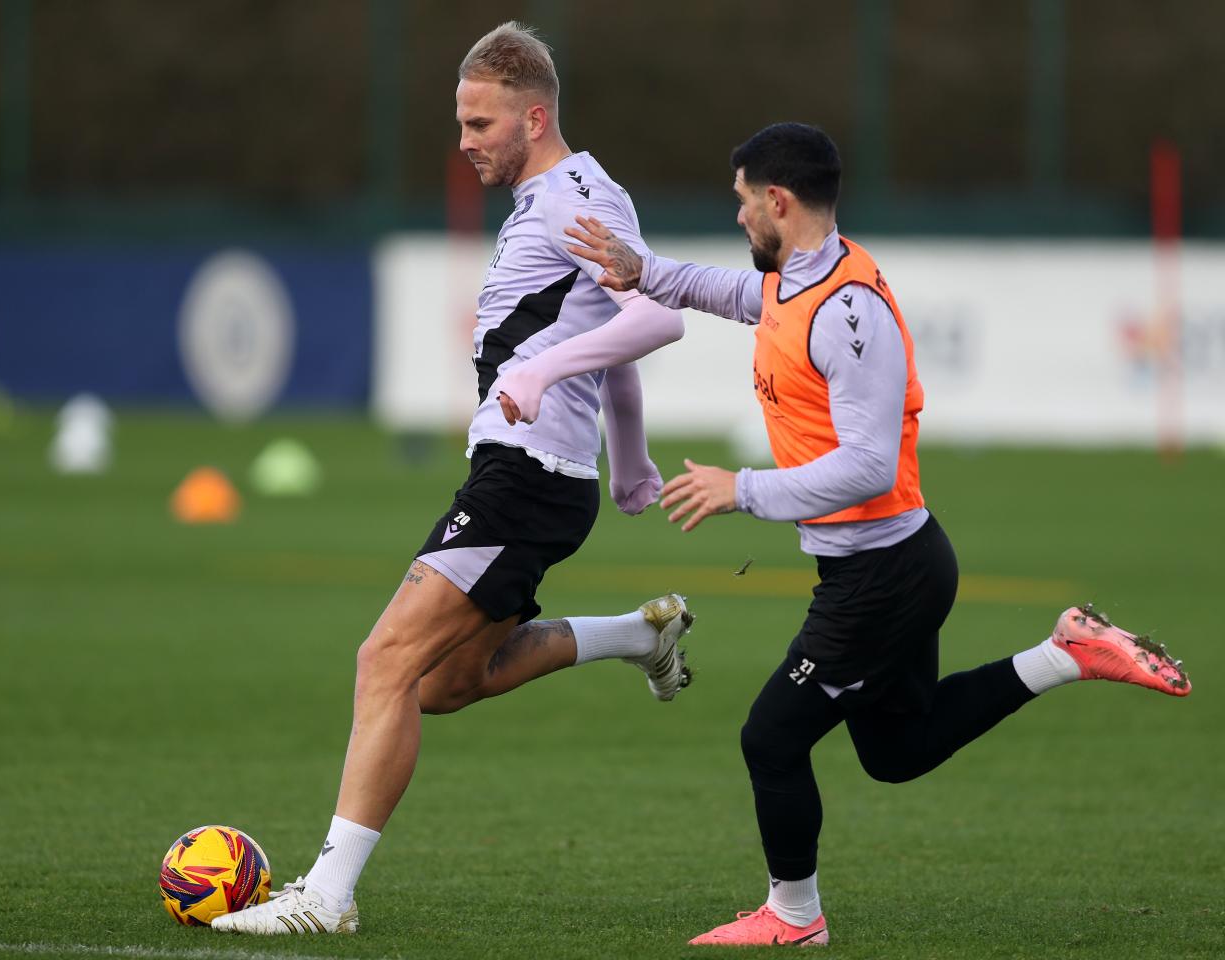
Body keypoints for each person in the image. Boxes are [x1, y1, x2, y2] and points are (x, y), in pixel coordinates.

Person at [563, 121, 1192, 948]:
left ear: (778, 201)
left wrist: (739, 489)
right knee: (898, 750)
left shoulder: (849, 313)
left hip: (885, 575)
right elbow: (726, 291)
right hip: (882, 568)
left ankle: (794, 918)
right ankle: (1065, 652)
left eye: (744, 200)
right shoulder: (794, 279)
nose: (739, 215)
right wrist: (643, 271)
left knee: (772, 735)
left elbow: (865, 466)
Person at [213, 22, 696, 936]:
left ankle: (326, 898)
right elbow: (611, 332)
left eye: (480, 123)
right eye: (462, 122)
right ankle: (638, 636)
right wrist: (628, 459)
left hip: (525, 482)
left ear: (533, 115)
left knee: (383, 661)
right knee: (444, 682)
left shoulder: (573, 196)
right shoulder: (555, 198)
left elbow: (654, 320)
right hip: (535, 477)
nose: (465, 140)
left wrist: (544, 378)